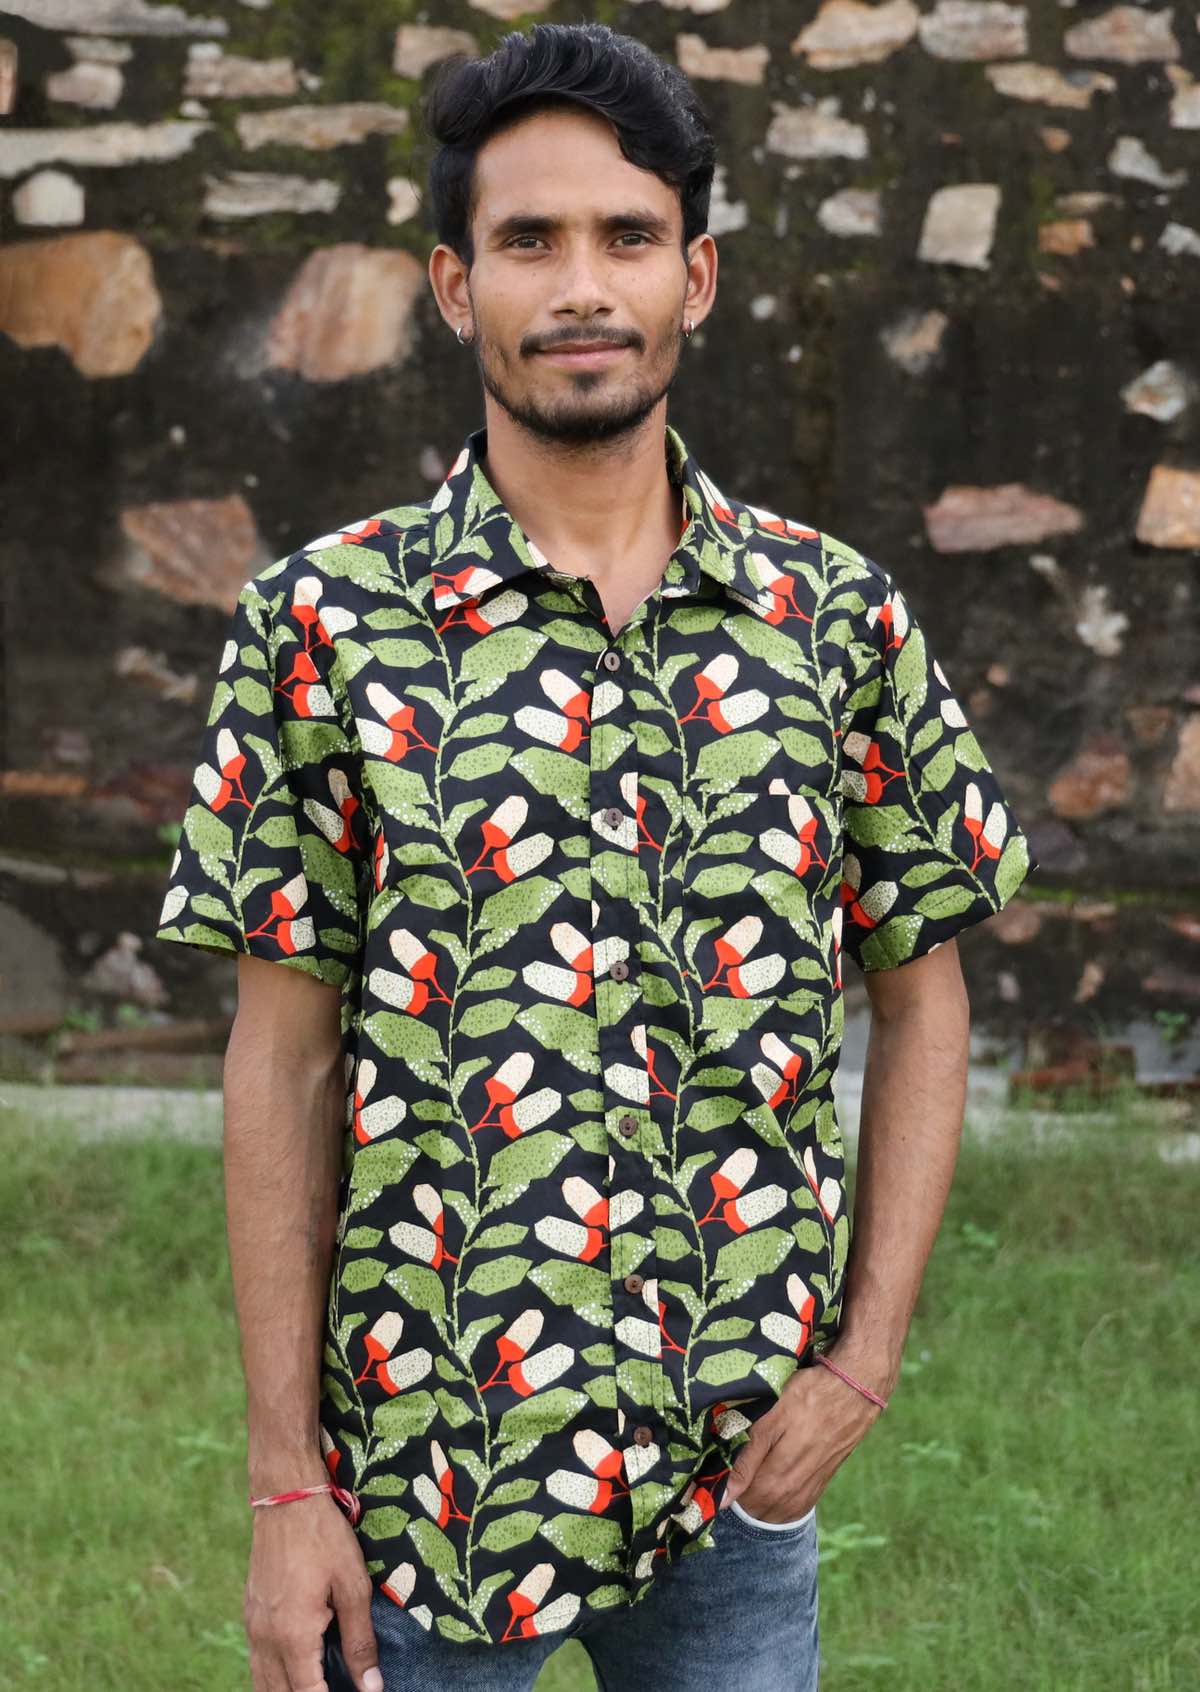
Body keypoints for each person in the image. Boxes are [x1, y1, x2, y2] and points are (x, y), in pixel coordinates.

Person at [154, 20, 1038, 1692]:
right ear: (449, 283)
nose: (582, 285)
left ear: (695, 278)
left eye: (628, 237)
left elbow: (926, 1004)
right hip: (424, 1472)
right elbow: (278, 1060)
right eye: (528, 240)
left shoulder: (831, 620)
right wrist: (287, 1482)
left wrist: (865, 1359)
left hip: (739, 1464)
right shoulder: (323, 625)